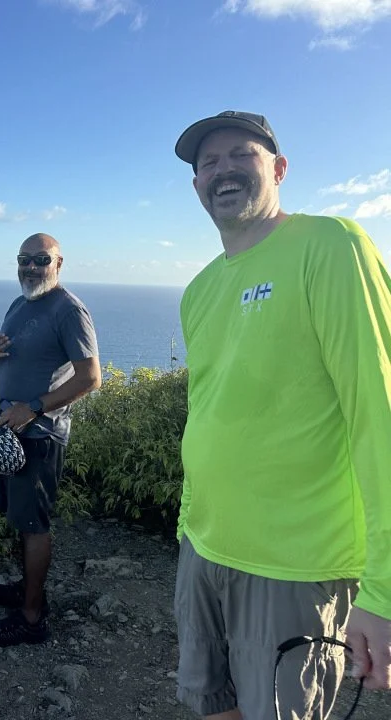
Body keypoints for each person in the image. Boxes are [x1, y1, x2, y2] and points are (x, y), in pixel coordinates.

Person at [172, 110, 391, 719]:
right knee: (211, 704)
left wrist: (386, 587)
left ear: (280, 168)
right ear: (195, 187)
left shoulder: (332, 246)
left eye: (241, 154)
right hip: (204, 551)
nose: (223, 170)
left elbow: (381, 413)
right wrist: (190, 530)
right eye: (207, 163)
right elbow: (214, 411)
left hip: (297, 568)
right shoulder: (199, 290)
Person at [0, 232, 101, 647]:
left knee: (34, 526)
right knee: (19, 517)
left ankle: (31, 618)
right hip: (11, 433)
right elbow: (9, 365)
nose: (31, 267)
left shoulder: (69, 310)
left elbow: (90, 378)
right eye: (24, 259)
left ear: (58, 264)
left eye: (41, 259)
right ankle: (27, 589)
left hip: (40, 436)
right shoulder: (20, 304)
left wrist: (33, 407)